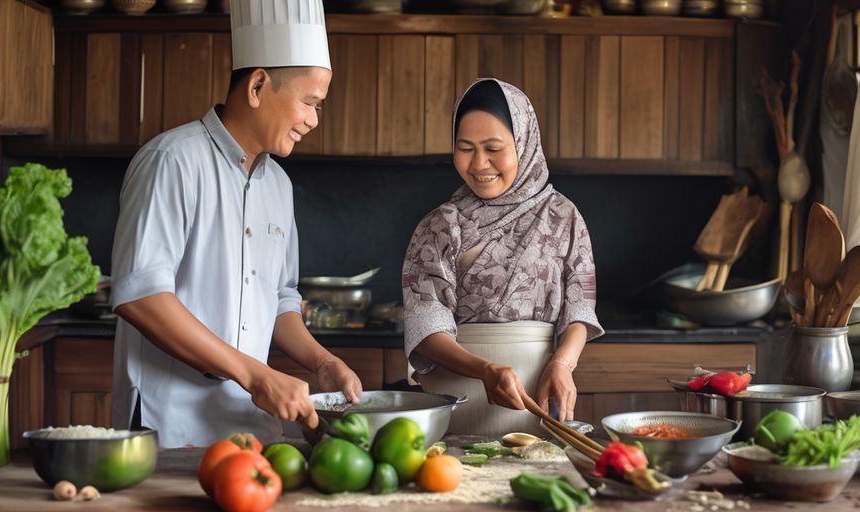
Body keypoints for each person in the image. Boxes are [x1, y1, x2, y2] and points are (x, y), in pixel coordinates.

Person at [109, 0, 361, 448]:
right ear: (258, 84)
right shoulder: (171, 160)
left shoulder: (278, 186)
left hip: (250, 432)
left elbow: (281, 300)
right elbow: (142, 296)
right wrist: (255, 373)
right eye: (309, 102)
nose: (313, 120)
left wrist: (321, 362)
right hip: (168, 430)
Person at [402, 79, 604, 437]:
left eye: (493, 148)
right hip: (459, 392)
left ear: (524, 143)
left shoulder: (563, 216)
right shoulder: (440, 224)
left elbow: (580, 306)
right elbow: (425, 325)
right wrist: (485, 370)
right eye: (465, 148)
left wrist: (562, 363)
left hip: (539, 393)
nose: (479, 164)